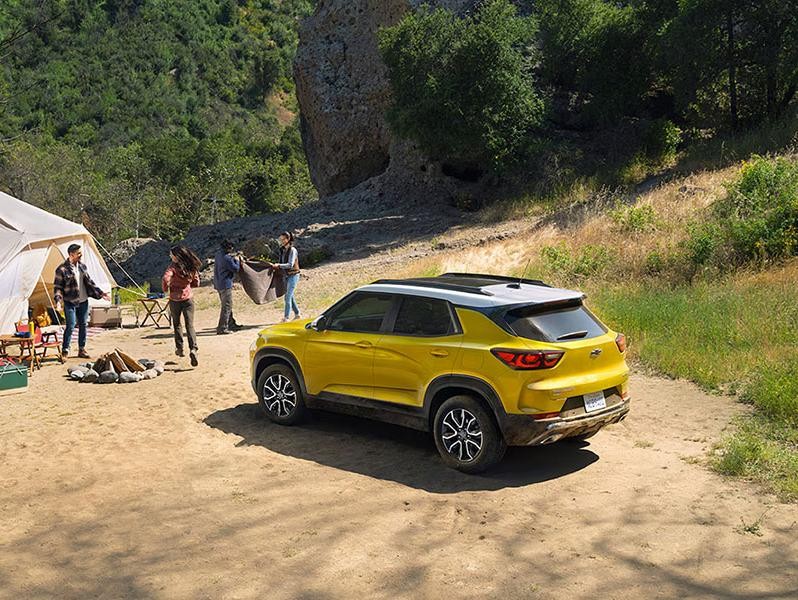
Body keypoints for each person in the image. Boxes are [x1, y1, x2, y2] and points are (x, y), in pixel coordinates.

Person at [53, 243, 110, 359]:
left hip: (83, 301)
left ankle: (81, 349)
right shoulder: (61, 269)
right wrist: (58, 301)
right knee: (71, 325)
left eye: (80, 252)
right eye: (78, 253)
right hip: (70, 301)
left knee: (83, 325)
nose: (81, 255)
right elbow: (58, 288)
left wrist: (101, 293)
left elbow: (90, 282)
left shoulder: (82, 267)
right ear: (71, 254)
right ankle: (65, 350)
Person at [162, 245, 201, 367]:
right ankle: (193, 349)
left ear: (176, 256)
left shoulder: (172, 267)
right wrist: (189, 286)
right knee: (190, 325)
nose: (170, 256)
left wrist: (165, 288)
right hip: (188, 298)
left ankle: (179, 348)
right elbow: (196, 282)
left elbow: (165, 278)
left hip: (175, 299)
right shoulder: (191, 266)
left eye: (171, 255)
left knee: (177, 324)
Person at [269, 231, 301, 323]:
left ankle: (286, 318)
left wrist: (278, 265)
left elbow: (290, 264)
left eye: (283, 239)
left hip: (294, 275)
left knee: (287, 296)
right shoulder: (282, 250)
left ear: (288, 239)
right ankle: (297, 314)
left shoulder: (293, 250)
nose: (281, 241)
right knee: (290, 296)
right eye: (281, 239)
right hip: (286, 275)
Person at [213, 240, 241, 335]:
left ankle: (231, 323)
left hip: (218, 284)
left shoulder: (218, 255)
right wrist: (237, 260)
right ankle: (222, 328)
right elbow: (236, 269)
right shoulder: (227, 258)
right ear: (229, 248)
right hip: (225, 284)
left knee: (227, 305)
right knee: (227, 306)